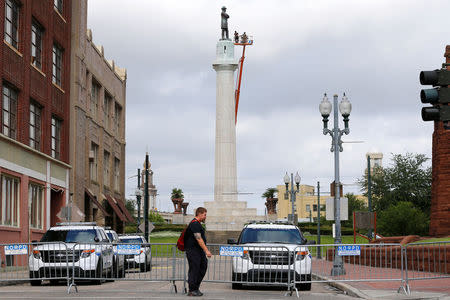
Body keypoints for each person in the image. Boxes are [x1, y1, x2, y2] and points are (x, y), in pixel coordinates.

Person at [184, 207, 211, 297]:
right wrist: (206, 250)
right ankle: (192, 290)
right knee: (194, 270)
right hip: (193, 251)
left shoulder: (198, 224)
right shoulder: (194, 224)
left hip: (198, 251)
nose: (205, 217)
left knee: (203, 267)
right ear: (199, 214)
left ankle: (196, 287)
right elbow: (198, 238)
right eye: (204, 215)